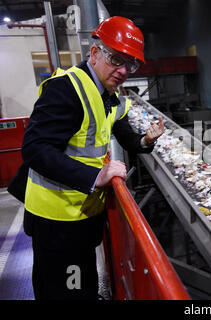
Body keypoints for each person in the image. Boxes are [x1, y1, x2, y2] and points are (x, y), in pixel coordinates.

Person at [8, 16, 164, 300]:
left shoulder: (109, 95)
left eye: (130, 64)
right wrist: (95, 176)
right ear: (94, 53)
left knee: (81, 287)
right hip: (58, 222)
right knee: (68, 291)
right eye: (115, 58)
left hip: (82, 217)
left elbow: (126, 136)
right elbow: (35, 149)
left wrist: (146, 140)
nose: (122, 70)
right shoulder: (67, 88)